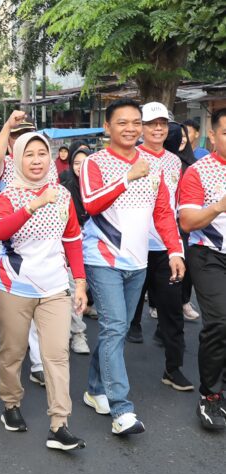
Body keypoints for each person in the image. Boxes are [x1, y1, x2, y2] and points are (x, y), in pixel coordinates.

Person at [80, 98, 184, 435]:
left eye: (135, 122)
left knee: (118, 329)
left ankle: (95, 388)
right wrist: (126, 178)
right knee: (114, 327)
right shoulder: (94, 163)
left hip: (138, 260)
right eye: (122, 122)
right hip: (103, 257)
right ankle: (122, 410)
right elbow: (92, 204)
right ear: (107, 127)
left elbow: (164, 213)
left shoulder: (154, 164)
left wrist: (174, 250)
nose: (131, 128)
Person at [0, 132, 87, 450]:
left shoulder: (61, 194)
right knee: (13, 352)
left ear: (50, 158)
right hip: (14, 287)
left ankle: (60, 424)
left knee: (57, 356)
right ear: (18, 159)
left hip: (55, 286)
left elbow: (72, 237)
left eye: (41, 154)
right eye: (28, 154)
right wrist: (32, 205)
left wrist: (80, 281)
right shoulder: (8, 196)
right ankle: (10, 405)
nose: (36, 160)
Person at [126, 102, 193, 390]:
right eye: (152, 123)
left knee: (172, 308)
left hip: (166, 245)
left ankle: (173, 368)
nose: (157, 128)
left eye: (162, 124)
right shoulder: (131, 157)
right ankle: (108, 375)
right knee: (124, 313)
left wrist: (176, 242)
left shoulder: (174, 161)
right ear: (141, 127)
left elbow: (174, 204)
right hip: (133, 245)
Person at [178, 107, 226, 430]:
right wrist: (219, 206)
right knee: (221, 321)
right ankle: (209, 395)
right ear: (212, 135)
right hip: (208, 253)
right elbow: (187, 221)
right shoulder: (199, 172)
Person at [164, 122, 201, 322]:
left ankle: (183, 302)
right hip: (163, 223)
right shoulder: (164, 161)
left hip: (186, 224)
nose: (182, 139)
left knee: (185, 264)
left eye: (184, 136)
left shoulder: (195, 166)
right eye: (178, 136)